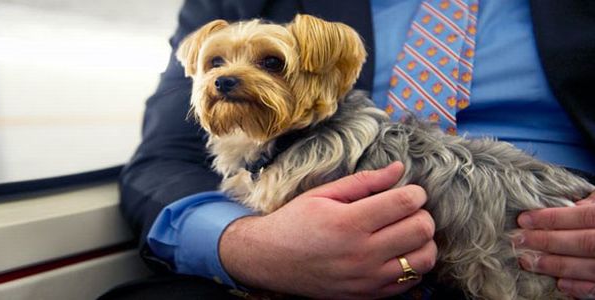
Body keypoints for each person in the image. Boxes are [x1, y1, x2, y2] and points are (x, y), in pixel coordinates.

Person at [116, 0, 595, 299]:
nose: (226, 74)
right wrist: (246, 247)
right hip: (300, 254)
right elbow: (162, 160)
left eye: (269, 63)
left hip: (556, 233)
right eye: (215, 62)